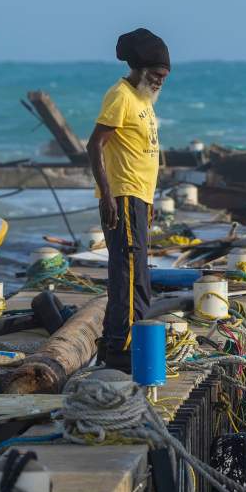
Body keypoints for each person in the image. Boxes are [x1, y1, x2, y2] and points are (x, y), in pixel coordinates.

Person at [87, 28, 169, 371]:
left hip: (139, 198)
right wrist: (107, 195)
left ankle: (112, 343)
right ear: (139, 68)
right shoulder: (121, 96)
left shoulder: (144, 101)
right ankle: (124, 347)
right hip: (123, 196)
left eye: (164, 76)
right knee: (131, 275)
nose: (160, 81)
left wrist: (148, 203)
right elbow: (95, 144)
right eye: (156, 74)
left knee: (134, 272)